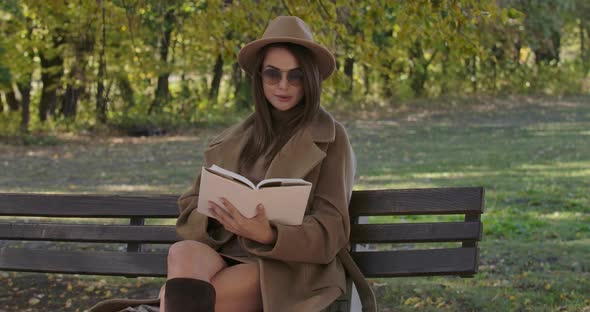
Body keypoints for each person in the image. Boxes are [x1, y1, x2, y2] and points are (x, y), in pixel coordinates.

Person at [89, 15, 376, 312]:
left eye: (296, 75)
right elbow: (190, 208)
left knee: (190, 300)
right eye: (272, 74)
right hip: (225, 253)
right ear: (259, 77)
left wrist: (269, 234)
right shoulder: (232, 139)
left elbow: (332, 229)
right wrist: (219, 216)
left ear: (311, 79)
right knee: (183, 253)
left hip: (285, 267)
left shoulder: (331, 138)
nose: (283, 85)